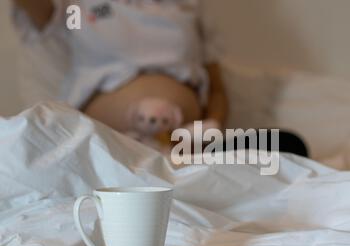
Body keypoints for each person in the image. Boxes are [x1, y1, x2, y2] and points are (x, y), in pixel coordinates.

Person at [13, 0, 228, 143]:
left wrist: (211, 127)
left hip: (181, 148)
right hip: (108, 146)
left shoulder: (188, 7)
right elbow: (49, 17)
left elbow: (217, 90)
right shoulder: (81, 9)